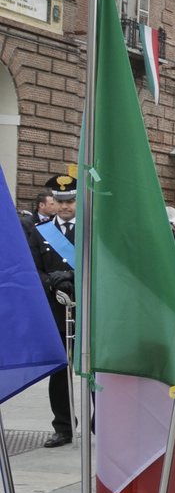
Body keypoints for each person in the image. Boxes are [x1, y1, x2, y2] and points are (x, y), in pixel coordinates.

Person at [27, 174, 77, 447]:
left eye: (69, 201)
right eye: (59, 201)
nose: (64, 206)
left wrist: (73, 280)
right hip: (55, 309)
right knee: (59, 371)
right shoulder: (41, 231)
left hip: (85, 309)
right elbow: (33, 268)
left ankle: (99, 423)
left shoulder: (91, 229)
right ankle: (63, 426)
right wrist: (52, 281)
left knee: (94, 369)